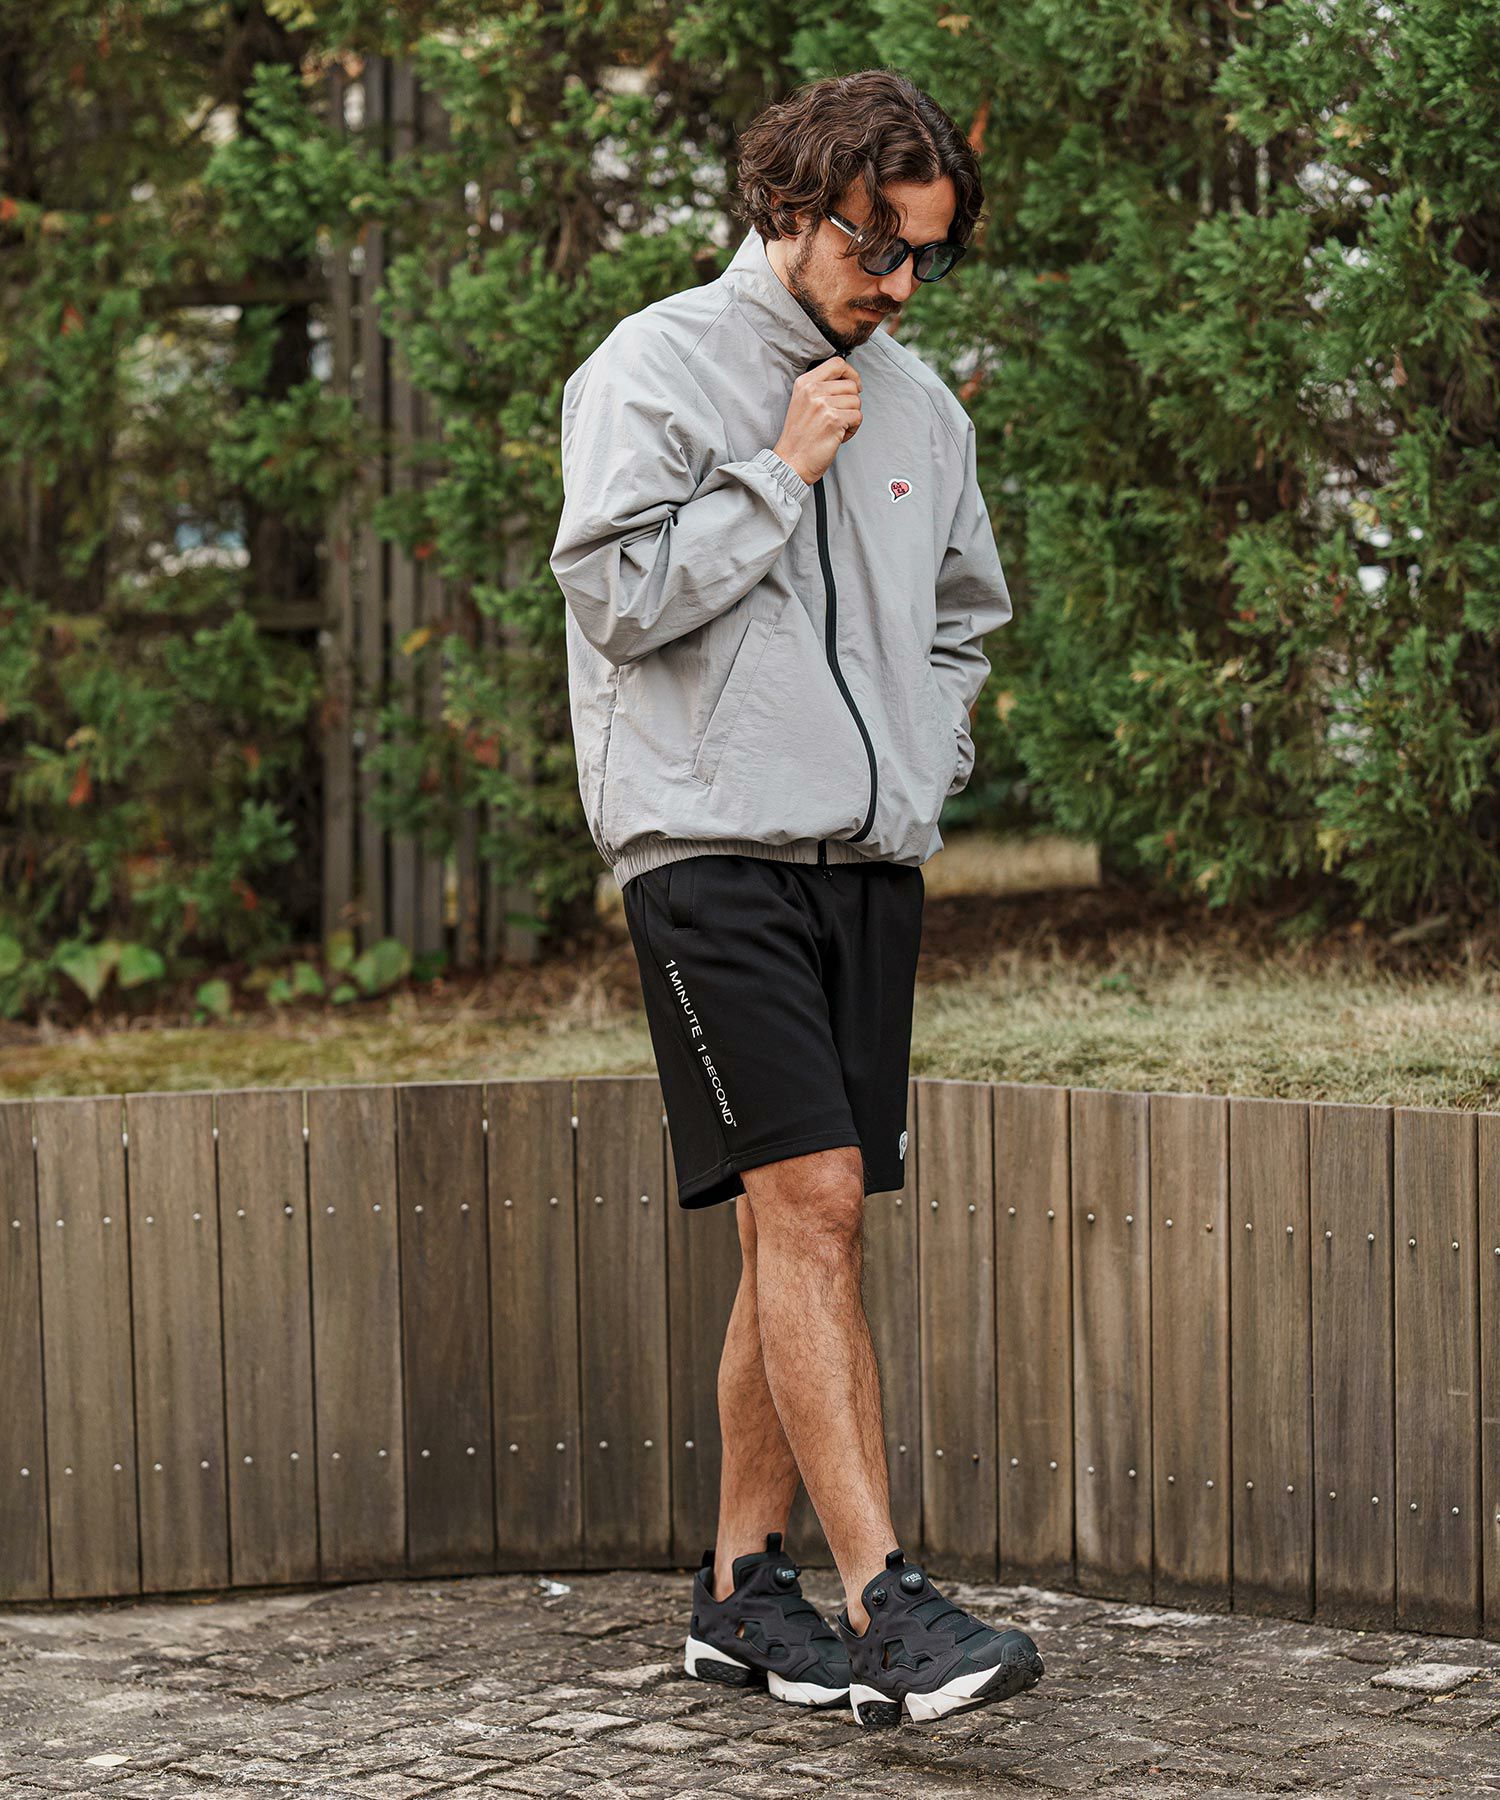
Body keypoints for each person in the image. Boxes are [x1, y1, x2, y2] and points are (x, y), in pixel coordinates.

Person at [549, 68, 1043, 1729]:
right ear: (789, 201)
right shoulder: (656, 366)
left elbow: (965, 617)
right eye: (874, 244)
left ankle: (741, 1596)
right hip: (707, 847)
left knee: (795, 1224)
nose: (899, 284)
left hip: (866, 858)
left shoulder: (925, 410)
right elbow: (618, 597)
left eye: (926, 256)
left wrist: (928, 755)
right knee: (815, 1198)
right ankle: (887, 1604)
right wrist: (778, 468)